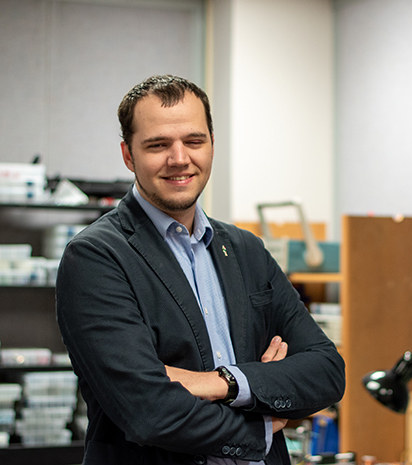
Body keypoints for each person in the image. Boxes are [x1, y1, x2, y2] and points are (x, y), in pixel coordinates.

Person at [56, 74, 345, 465]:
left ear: (211, 144)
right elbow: (149, 412)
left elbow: (326, 371)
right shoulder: (96, 257)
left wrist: (221, 383)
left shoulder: (246, 250)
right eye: (158, 145)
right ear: (128, 155)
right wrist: (260, 419)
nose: (180, 159)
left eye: (194, 141)